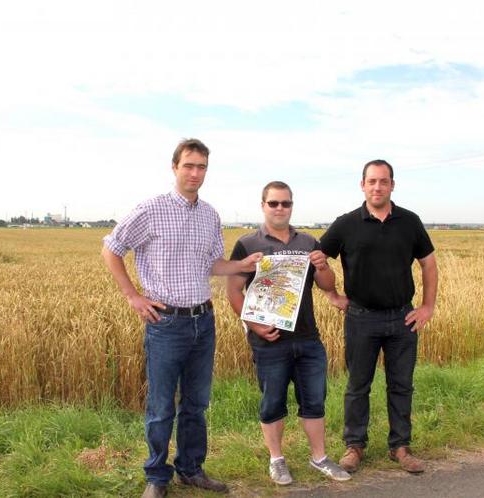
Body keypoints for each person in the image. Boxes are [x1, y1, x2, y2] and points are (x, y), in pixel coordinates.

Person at [101, 138, 262, 498]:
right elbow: (111, 249)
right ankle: (157, 477)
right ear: (174, 167)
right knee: (161, 407)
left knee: (196, 403)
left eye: (201, 166)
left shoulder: (210, 215)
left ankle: (191, 469)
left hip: (203, 321)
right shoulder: (150, 210)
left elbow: (213, 265)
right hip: (166, 324)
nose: (195, 173)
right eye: (188, 165)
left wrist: (241, 265)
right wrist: (133, 296)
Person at [226, 181, 351, 485]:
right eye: (274, 203)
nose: (280, 208)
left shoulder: (309, 242)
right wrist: (254, 324)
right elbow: (232, 290)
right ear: (263, 205)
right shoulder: (247, 244)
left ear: (292, 206)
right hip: (268, 341)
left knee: (314, 400)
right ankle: (277, 460)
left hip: (308, 337)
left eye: (286, 203)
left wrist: (322, 266)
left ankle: (319, 458)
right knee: (272, 403)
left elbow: (326, 284)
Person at [319, 160, 438, 474]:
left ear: (392, 185)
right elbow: (319, 261)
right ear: (362, 185)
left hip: (403, 318)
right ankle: (354, 447)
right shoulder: (345, 224)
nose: (377, 187)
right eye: (371, 181)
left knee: (401, 386)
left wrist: (427, 307)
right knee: (358, 386)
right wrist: (332, 295)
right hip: (361, 318)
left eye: (383, 181)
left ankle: (400, 447)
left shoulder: (410, 222)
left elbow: (428, 264)